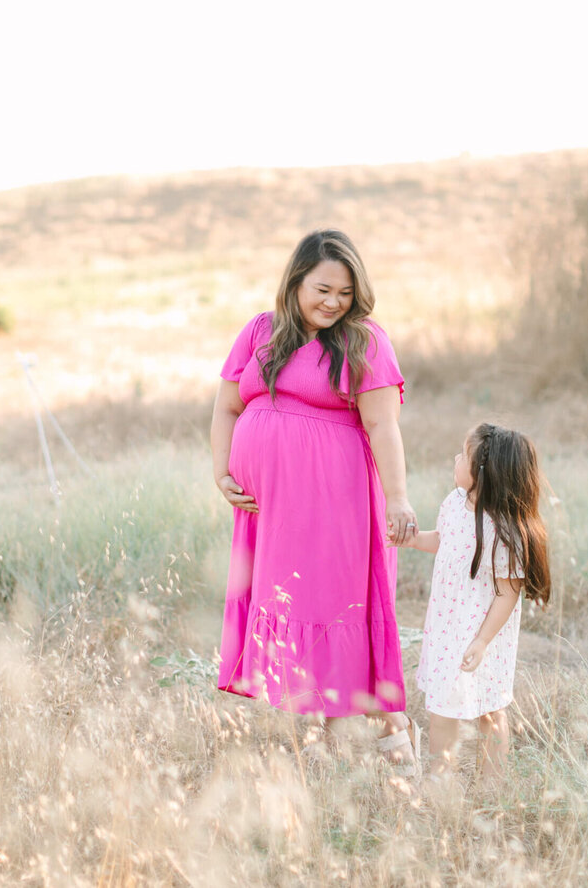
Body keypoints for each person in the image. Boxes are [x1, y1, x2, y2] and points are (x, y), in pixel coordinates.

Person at [211, 229, 420, 768]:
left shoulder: (363, 341)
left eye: (345, 294)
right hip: (271, 511)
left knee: (334, 608)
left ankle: (396, 742)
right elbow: (227, 407)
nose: (333, 303)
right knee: (290, 606)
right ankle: (316, 749)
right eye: (323, 289)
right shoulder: (261, 331)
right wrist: (222, 469)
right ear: (296, 280)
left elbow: (383, 426)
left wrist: (398, 499)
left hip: (337, 505)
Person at [395, 423, 550, 782]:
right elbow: (446, 542)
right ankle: (439, 780)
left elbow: (508, 592)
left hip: (483, 634)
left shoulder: (504, 529)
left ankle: (492, 786)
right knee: (441, 705)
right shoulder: (454, 503)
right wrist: (415, 540)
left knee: (489, 709)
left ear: (484, 472)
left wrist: (481, 641)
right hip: (447, 625)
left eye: (463, 455)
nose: (455, 459)